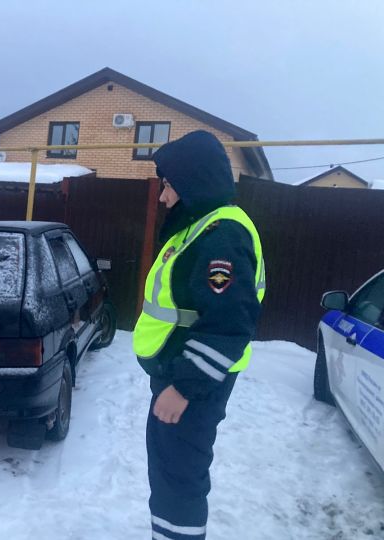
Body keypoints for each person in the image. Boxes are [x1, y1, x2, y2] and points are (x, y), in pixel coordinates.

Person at [132, 130, 265, 540]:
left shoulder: (222, 236)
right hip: (180, 375)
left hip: (192, 383)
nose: (163, 197)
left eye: (168, 186)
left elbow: (229, 325)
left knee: (179, 479)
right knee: (170, 474)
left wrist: (184, 388)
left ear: (193, 181)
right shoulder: (202, 227)